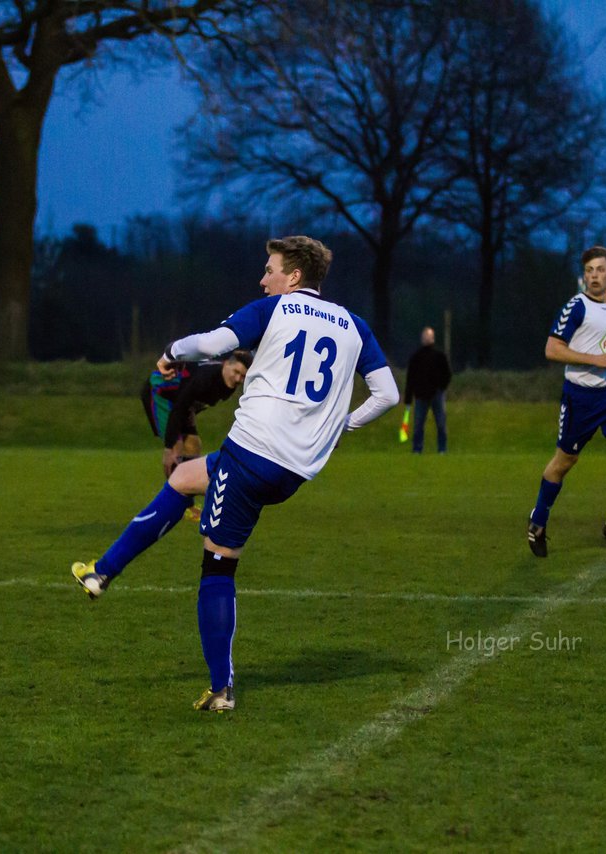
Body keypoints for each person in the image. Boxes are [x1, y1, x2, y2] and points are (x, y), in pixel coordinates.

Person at [71, 235, 399, 712]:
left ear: (294, 277)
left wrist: (169, 351)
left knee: (218, 565)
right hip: (294, 468)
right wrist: (344, 424)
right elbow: (387, 394)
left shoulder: (275, 311)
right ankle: (102, 572)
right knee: (183, 481)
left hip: (253, 455)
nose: (262, 278)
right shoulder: (355, 325)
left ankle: (221, 690)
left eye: (270, 269)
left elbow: (211, 344)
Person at [526, 246, 606, 558]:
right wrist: (593, 359)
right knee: (564, 462)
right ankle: (538, 519)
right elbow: (552, 349)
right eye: (588, 271)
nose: (593, 276)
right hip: (580, 399)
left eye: (599, 270)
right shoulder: (576, 307)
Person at [141, 350, 252, 478]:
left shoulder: (227, 384)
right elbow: (180, 406)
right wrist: (168, 447)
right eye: (236, 372)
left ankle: (185, 490)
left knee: (194, 445)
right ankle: (174, 493)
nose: (238, 379)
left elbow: (193, 403)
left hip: (180, 403)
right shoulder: (205, 378)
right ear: (226, 364)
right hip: (159, 394)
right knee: (176, 448)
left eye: (243, 376)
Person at [403, 326, 451, 453]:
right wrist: (408, 397)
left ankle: (442, 449)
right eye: (425, 336)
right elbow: (410, 378)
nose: (427, 339)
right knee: (418, 425)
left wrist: (441, 388)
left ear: (432, 338)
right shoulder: (416, 357)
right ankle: (417, 449)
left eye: (429, 336)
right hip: (420, 396)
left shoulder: (440, 356)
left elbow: (447, 374)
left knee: (441, 424)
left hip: (437, 395)